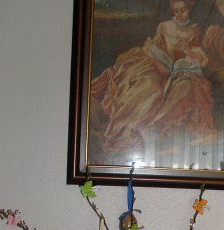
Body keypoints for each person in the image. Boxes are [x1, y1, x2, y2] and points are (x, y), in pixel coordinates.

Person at [90, 0, 214, 153]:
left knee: (182, 88)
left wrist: (188, 52)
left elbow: (198, 54)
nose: (179, 14)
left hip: (175, 71)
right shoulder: (164, 26)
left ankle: (145, 128)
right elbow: (155, 45)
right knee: (148, 88)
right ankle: (124, 130)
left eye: (183, 10)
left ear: (189, 9)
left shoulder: (193, 30)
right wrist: (157, 55)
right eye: (176, 11)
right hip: (157, 65)